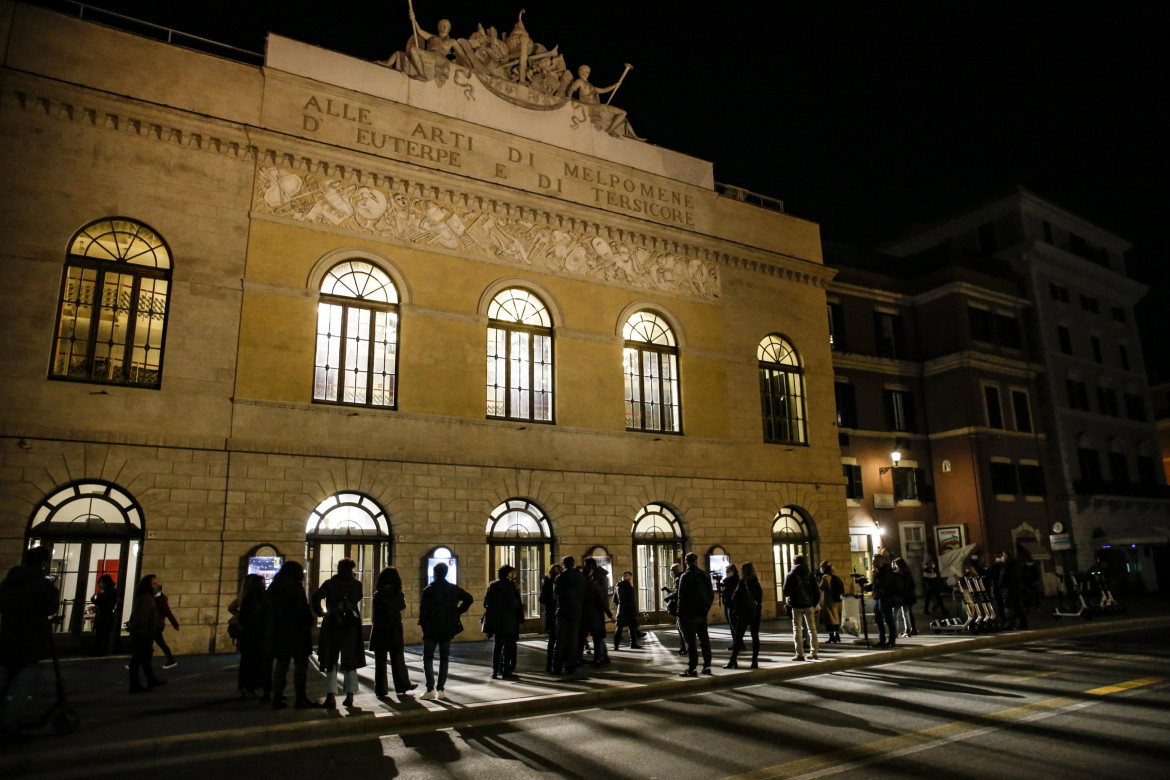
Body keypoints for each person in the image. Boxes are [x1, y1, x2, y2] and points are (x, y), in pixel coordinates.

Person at [0, 546, 59, 734]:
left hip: (8, 635)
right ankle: (9, 722)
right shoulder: (41, 584)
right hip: (31, 638)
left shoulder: (9, 581)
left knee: (3, 677)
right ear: (43, 562)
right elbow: (50, 608)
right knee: (23, 683)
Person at [312, 558, 365, 708]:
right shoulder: (356, 585)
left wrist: (321, 613)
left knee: (331, 660)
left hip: (332, 623)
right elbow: (357, 598)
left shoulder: (330, 583)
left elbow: (316, 597)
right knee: (350, 661)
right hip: (351, 624)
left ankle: (331, 696)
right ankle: (350, 695)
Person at [265, 561, 318, 709]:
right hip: (297, 632)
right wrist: (309, 619)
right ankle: (300, 698)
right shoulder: (295, 588)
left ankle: (277, 696)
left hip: (279, 631)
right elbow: (301, 611)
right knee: (301, 665)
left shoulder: (275, 587)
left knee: (281, 664)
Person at [418, 561, 473, 699]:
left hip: (431, 628)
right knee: (444, 658)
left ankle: (430, 688)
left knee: (428, 658)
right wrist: (458, 611)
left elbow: (423, 612)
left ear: (435, 574)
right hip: (447, 627)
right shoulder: (453, 589)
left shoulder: (428, 590)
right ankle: (440, 689)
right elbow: (469, 598)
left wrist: (423, 626)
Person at [482, 565, 524, 680]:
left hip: (496, 620)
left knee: (497, 646)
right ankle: (506, 671)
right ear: (508, 574)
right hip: (508, 620)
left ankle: (495, 671)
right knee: (508, 646)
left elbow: (486, 603)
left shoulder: (493, 585)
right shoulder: (510, 586)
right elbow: (514, 604)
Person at [676, 552, 714, 677]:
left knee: (691, 642)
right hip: (701, 613)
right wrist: (706, 608)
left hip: (688, 614)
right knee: (704, 640)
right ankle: (707, 666)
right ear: (697, 561)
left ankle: (692, 668)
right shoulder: (704, 575)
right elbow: (710, 595)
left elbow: (681, 597)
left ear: (686, 562)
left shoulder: (685, 576)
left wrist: (679, 614)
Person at [127, 573, 164, 693]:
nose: (157, 585)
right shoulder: (146, 598)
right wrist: (139, 629)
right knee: (138, 659)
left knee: (144, 659)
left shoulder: (146, 597)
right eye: (154, 583)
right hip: (142, 633)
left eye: (157, 583)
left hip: (143, 632)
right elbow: (142, 617)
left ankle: (150, 680)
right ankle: (135, 685)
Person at [236, 573, 271, 700]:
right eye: (262, 584)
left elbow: (242, 617)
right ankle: (256, 687)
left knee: (247, 662)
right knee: (258, 663)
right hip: (258, 635)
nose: (264, 586)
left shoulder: (247, 598)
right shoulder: (262, 598)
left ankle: (246, 687)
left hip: (248, 635)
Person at [782, 555, 820, 661]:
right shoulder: (810, 574)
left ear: (794, 562)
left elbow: (786, 592)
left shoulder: (791, 575)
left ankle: (800, 653)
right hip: (809, 605)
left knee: (797, 629)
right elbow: (817, 591)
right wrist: (813, 603)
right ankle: (814, 652)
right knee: (812, 629)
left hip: (796, 605)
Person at [552, 556, 585, 675]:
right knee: (573, 639)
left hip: (562, 611)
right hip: (576, 611)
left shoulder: (560, 577)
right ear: (574, 563)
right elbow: (583, 594)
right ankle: (571, 666)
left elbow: (555, 594)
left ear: (564, 565)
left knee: (560, 640)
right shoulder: (580, 577)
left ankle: (557, 666)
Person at [726, 561, 763, 668]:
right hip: (755, 613)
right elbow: (759, 599)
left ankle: (733, 660)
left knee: (738, 637)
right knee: (755, 636)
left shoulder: (743, 583)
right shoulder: (756, 582)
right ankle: (754, 661)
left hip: (744, 613)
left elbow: (735, 597)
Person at [582, 564, 612, 667]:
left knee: (583, 637)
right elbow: (601, 602)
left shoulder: (582, 586)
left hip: (585, 615)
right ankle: (598, 658)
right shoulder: (594, 586)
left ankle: (579, 658)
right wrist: (610, 614)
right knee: (597, 637)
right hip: (595, 614)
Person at [995, 550, 1029, 630]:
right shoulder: (1016, 565)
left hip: (1008, 590)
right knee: (1018, 607)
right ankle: (1023, 624)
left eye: (1003, 555)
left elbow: (1003, 578)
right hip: (1017, 589)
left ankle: (1010, 624)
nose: (1002, 557)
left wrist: (999, 586)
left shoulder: (1006, 566)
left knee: (1008, 608)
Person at [870, 555, 899, 648]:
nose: (873, 563)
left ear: (880, 561)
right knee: (878, 619)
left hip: (886, 597)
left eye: (874, 561)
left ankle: (891, 641)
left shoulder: (886, 570)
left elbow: (883, 583)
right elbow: (875, 584)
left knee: (888, 619)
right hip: (879, 597)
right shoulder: (880, 571)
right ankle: (882, 639)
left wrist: (876, 574)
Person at [539, 562, 562, 672]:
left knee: (552, 639)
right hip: (558, 612)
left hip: (551, 612)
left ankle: (549, 663)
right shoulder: (560, 581)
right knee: (558, 639)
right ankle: (557, 663)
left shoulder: (547, 581)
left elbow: (542, 598)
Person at [152, 577, 180, 669]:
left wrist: (175, 624)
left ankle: (171, 660)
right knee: (149, 644)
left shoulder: (161, 600)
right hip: (154, 625)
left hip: (157, 625)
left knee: (159, 643)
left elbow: (168, 613)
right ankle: (171, 660)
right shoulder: (155, 599)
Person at [663, 562, 687, 656]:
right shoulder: (681, 577)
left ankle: (684, 648)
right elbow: (676, 591)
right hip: (682, 606)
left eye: (671, 571)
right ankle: (683, 647)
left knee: (681, 628)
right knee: (680, 627)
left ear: (675, 571)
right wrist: (668, 590)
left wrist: (668, 597)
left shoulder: (679, 579)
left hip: (680, 607)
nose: (671, 573)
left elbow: (677, 592)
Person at [612, 571, 641, 650]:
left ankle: (616, 645)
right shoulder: (628, 586)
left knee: (619, 628)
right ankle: (633, 643)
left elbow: (614, 600)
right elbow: (631, 600)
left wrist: (620, 606)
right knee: (632, 627)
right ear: (630, 578)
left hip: (621, 610)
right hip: (629, 610)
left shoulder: (617, 586)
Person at [90, 573, 117, 656]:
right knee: (99, 635)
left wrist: (95, 600)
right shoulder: (101, 591)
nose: (100, 584)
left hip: (106, 616)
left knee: (105, 635)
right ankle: (98, 651)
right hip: (100, 615)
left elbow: (107, 604)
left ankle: (104, 651)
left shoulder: (112, 591)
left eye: (102, 582)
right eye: (100, 582)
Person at [819, 561, 845, 644]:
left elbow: (822, 587)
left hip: (827, 600)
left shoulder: (826, 576)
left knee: (829, 619)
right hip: (833, 599)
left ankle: (831, 636)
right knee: (834, 618)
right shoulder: (833, 575)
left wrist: (819, 581)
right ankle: (837, 634)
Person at [892, 558, 917, 637]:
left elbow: (897, 586)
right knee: (906, 613)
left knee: (895, 614)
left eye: (895, 564)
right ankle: (908, 629)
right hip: (908, 596)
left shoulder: (898, 574)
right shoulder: (908, 573)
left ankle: (894, 632)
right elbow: (913, 585)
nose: (895, 566)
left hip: (900, 596)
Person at [719, 563, 740, 651]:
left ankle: (738, 643)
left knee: (734, 624)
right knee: (731, 625)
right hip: (727, 603)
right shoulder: (727, 579)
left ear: (733, 571)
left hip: (733, 605)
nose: (727, 573)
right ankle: (736, 643)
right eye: (726, 572)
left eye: (728, 572)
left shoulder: (735, 580)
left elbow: (731, 591)